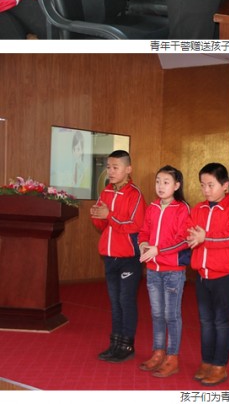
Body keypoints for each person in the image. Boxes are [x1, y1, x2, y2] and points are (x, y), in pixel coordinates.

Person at [186, 162, 229, 386]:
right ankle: (207, 361)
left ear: (225, 185)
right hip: (202, 276)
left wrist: (206, 238)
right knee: (205, 321)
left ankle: (220, 366)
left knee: (222, 322)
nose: (206, 190)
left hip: (225, 277)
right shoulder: (198, 208)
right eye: (202, 185)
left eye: (210, 185)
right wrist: (192, 237)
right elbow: (189, 231)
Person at [90, 150, 146, 364]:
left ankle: (127, 345)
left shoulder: (135, 194)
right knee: (115, 302)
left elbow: (135, 226)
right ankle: (115, 343)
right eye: (108, 167)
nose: (110, 171)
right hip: (109, 256)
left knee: (126, 300)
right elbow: (101, 225)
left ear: (128, 169)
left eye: (115, 167)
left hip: (128, 257)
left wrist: (109, 216)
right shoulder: (106, 191)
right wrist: (97, 216)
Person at [138, 165, 191, 378]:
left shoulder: (182, 208)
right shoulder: (152, 207)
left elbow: (182, 240)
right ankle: (158, 352)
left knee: (171, 315)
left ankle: (172, 357)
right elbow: (144, 231)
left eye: (166, 182)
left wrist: (157, 250)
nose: (160, 186)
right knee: (157, 313)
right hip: (153, 270)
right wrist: (143, 244)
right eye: (158, 181)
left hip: (173, 272)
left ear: (176, 185)